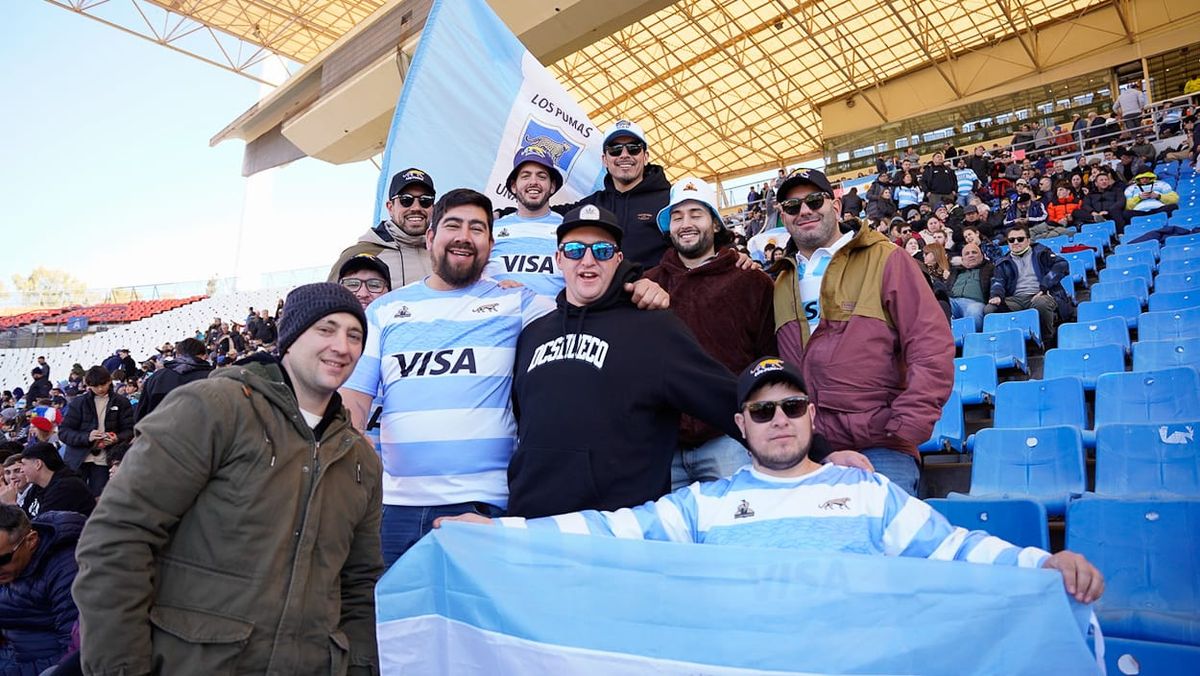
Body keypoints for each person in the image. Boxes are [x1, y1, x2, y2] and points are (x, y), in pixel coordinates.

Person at [438, 357, 1104, 607]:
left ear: (812, 417)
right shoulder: (703, 504)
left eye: (792, 407)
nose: (779, 419)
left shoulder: (870, 492)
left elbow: (953, 549)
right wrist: (499, 532)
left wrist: (1048, 560)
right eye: (762, 410)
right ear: (741, 425)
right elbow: (608, 531)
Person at [340, 189, 668, 565]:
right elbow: (355, 403)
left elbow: (588, 306)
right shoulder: (384, 310)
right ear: (431, 237)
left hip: (486, 506)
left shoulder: (519, 304)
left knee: (475, 623)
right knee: (391, 622)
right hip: (395, 507)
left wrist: (636, 287)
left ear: (491, 245)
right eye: (453, 225)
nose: (464, 236)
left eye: (477, 228)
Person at [73, 283, 384, 676]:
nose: (342, 346)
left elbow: (359, 587)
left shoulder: (361, 460)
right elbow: (118, 538)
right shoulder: (213, 408)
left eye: (354, 335)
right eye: (326, 329)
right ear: (289, 338)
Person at [769, 168, 953, 496]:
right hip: (810, 448)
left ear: (836, 206)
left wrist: (906, 425)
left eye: (814, 200)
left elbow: (930, 343)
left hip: (880, 445)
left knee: (880, 541)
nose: (805, 211)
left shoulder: (886, 258)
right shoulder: (779, 280)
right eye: (793, 206)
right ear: (783, 217)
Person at [644, 178, 780, 489]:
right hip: (665, 444)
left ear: (716, 224)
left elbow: (768, 359)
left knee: (738, 530)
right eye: (677, 217)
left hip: (728, 439)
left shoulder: (750, 281)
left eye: (696, 214)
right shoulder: (649, 284)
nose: (685, 224)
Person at [569, 120, 672, 267]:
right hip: (600, 289)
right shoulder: (591, 205)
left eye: (633, 148)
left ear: (646, 157)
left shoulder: (671, 201)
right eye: (615, 149)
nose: (624, 155)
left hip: (652, 288)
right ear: (605, 160)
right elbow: (541, 211)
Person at [0, 505, 85, 674]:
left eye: (2, 559)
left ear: (31, 541)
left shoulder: (65, 570)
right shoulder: (13, 565)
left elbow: (74, 654)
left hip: (37, 663)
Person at [329, 168, 435, 288]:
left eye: (425, 200)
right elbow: (330, 303)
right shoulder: (358, 255)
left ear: (433, 207)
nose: (416, 207)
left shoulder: (444, 254)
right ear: (390, 207)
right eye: (406, 200)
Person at [482, 145, 566, 298]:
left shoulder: (568, 229)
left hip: (554, 318)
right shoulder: (491, 229)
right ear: (514, 186)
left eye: (541, 176)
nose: (533, 182)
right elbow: (472, 275)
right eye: (525, 176)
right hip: (498, 317)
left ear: (552, 186)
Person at [989, 222, 1074, 343]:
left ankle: (1048, 339)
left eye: (1020, 239)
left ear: (1028, 240)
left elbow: (1062, 265)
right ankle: (1008, 344)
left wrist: (1044, 287)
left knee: (1041, 303)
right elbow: (998, 281)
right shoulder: (1003, 262)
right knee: (990, 309)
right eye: (1012, 240)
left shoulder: (1042, 253)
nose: (1016, 242)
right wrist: (996, 295)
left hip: (1041, 294)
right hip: (1015, 299)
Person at [56, 366, 133, 496]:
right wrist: (87, 437)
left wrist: (116, 438)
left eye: (103, 384)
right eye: (95, 386)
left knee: (99, 498)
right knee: (75, 498)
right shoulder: (78, 403)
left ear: (109, 381)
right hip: (78, 460)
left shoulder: (122, 402)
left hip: (106, 460)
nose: (100, 389)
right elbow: (64, 432)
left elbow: (130, 429)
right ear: (88, 385)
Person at [134, 338, 214, 422]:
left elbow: (140, 416)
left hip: (160, 431)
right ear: (204, 355)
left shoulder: (157, 377)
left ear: (178, 354)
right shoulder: (212, 377)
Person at [18, 444, 94, 517]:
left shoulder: (67, 487)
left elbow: (43, 525)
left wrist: (11, 504)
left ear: (38, 464)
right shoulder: (37, 487)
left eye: (24, 464)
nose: (21, 470)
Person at [948, 242, 994, 330]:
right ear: (962, 259)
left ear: (982, 256)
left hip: (975, 303)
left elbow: (997, 285)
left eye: (974, 252)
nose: (971, 255)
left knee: (974, 311)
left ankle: (971, 340)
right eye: (967, 253)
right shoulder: (955, 271)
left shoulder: (989, 269)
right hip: (953, 301)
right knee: (940, 306)